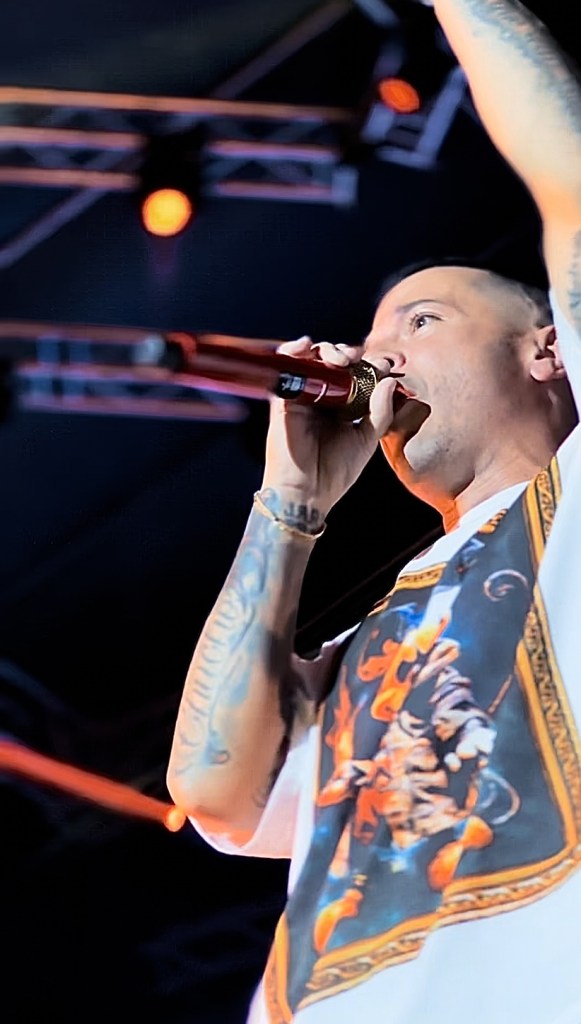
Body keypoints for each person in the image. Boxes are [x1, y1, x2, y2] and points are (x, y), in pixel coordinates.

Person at [167, 1, 581, 1021]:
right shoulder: (366, 643)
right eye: (371, 337)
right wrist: (290, 500)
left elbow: (570, 181)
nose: (376, 354)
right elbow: (213, 787)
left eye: (420, 321)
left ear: (546, 350)